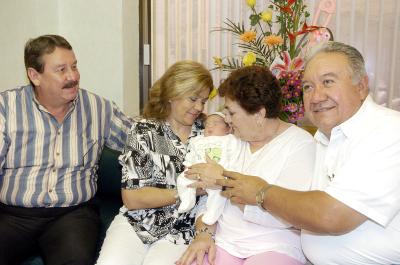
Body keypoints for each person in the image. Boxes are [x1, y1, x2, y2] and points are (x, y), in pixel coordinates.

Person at [215, 41, 400, 264]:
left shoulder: (388, 131)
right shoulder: (324, 138)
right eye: (308, 87)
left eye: (328, 82)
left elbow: (331, 215)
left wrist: (261, 193)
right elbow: (299, 209)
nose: (316, 96)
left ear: (361, 86)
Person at [0, 34, 132, 265]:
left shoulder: (99, 109)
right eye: (61, 69)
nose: (73, 76)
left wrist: (206, 128)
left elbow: (144, 141)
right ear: (34, 75)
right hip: (14, 214)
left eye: (74, 66)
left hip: (72, 215)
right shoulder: (6, 108)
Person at [177, 65, 316, 265]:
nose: (227, 120)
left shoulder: (300, 144)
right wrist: (204, 233)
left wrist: (223, 182)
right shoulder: (231, 141)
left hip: (275, 246)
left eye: (232, 114)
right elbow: (209, 199)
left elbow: (288, 215)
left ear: (259, 114)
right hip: (225, 243)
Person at [96, 60, 214, 265]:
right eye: (193, 98)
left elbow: (214, 192)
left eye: (203, 101)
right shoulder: (144, 131)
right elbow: (132, 198)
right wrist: (189, 191)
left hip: (182, 232)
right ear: (172, 94)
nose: (198, 107)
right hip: (136, 223)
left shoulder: (208, 136)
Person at [177, 112, 241, 225]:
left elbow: (235, 156)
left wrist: (227, 171)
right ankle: (187, 199)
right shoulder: (197, 140)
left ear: (228, 129)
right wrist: (188, 165)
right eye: (207, 124)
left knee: (217, 193)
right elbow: (191, 154)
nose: (210, 126)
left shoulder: (230, 139)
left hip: (216, 174)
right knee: (182, 179)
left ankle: (212, 212)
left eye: (215, 123)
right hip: (196, 170)